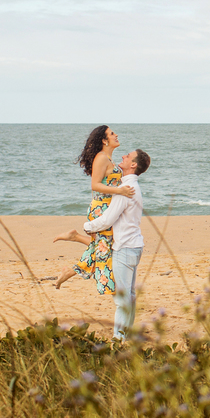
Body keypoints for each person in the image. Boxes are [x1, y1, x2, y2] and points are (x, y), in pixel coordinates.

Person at [76, 148, 150, 339]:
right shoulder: (132, 186)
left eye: (128, 156)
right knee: (130, 295)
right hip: (134, 246)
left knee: (122, 299)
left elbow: (107, 220)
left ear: (133, 165)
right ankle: (128, 333)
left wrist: (88, 226)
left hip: (125, 248)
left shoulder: (125, 190)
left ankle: (119, 339)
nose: (123, 156)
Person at [53, 126, 135, 293]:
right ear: (104, 140)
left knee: (103, 246)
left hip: (109, 208)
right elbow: (95, 185)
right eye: (112, 134)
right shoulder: (101, 158)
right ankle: (76, 269)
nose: (116, 135)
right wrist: (120, 191)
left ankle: (74, 242)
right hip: (101, 209)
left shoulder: (109, 159)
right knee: (104, 248)